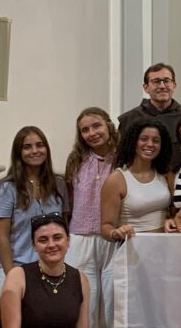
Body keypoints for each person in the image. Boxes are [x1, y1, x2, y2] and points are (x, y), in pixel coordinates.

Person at [64, 107, 119, 328]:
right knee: (85, 301)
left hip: (112, 237)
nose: (92, 133)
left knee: (113, 299)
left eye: (96, 126)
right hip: (80, 236)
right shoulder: (76, 159)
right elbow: (68, 199)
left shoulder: (122, 159)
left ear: (108, 125)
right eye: (85, 130)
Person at [0, 126, 69, 274]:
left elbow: (64, 227)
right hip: (17, 266)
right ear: (18, 153)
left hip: (52, 267)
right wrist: (11, 274)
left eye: (40, 145)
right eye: (27, 147)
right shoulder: (6, 189)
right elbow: (1, 236)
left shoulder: (59, 184)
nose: (35, 151)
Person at [0, 213, 89, 328]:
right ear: (34, 245)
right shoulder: (17, 277)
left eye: (57, 237)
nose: (51, 245)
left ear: (68, 240)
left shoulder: (80, 279)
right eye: (43, 240)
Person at [100, 120, 174, 241]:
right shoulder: (116, 179)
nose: (150, 144)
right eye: (144, 139)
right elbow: (106, 227)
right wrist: (116, 232)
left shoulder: (165, 174)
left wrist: (171, 220)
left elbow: (172, 213)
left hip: (164, 247)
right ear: (133, 141)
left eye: (156, 141)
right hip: (133, 249)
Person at [117, 63, 181, 171]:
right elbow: (122, 158)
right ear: (146, 87)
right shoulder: (129, 120)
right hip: (141, 181)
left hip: (180, 181)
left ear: (174, 85)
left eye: (167, 81)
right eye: (156, 81)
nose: (162, 86)